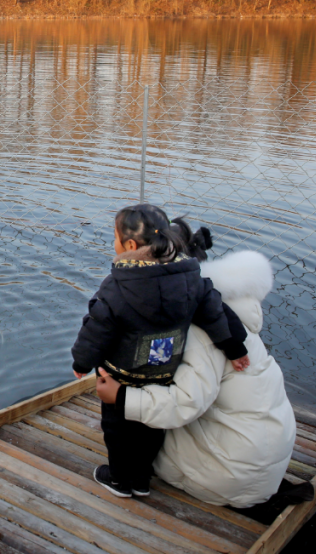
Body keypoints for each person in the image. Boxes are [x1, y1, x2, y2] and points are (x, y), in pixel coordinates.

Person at [71, 204, 250, 499]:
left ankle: (119, 480)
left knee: (118, 432)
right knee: (152, 429)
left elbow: (97, 328)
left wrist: (82, 360)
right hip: (163, 370)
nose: (113, 243)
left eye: (114, 237)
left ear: (129, 245)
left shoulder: (118, 286)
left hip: (121, 375)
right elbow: (215, 312)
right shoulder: (190, 278)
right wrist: (234, 348)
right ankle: (141, 479)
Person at [94, 249, 297, 508]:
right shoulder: (233, 326)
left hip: (229, 476)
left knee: (140, 436)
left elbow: (184, 403)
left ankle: (128, 479)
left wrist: (121, 396)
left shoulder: (201, 333)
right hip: (261, 462)